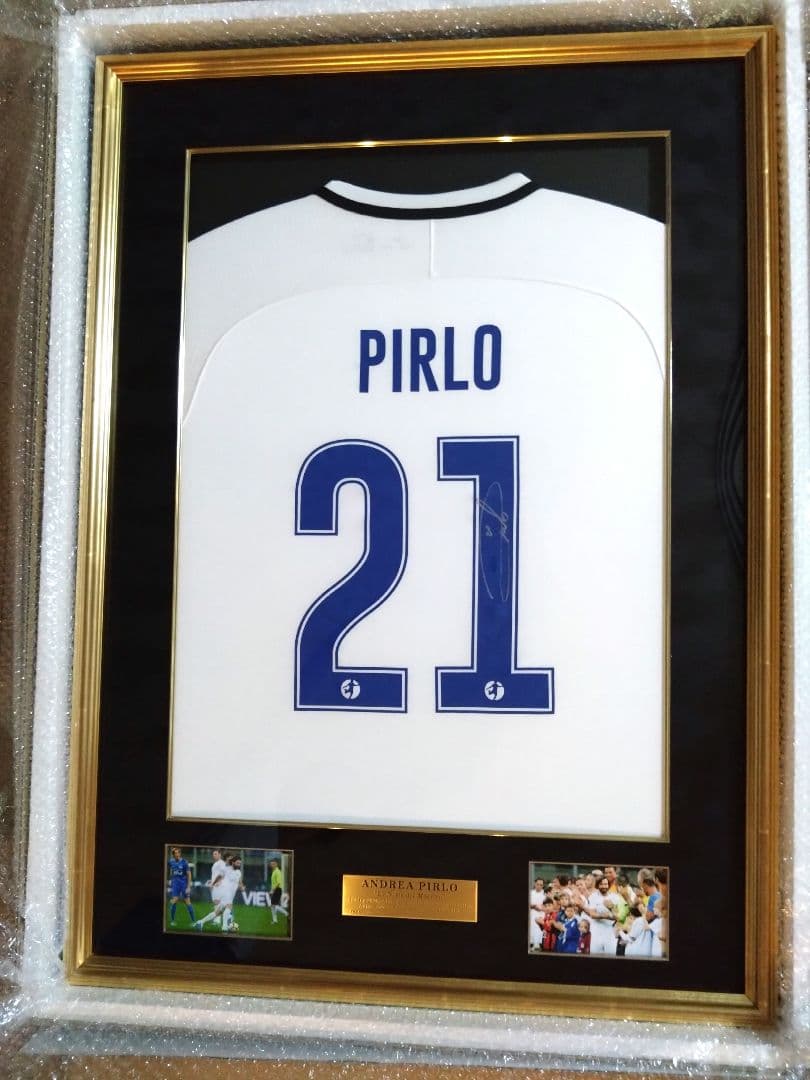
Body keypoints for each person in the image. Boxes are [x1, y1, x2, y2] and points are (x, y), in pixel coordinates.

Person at [584, 874, 617, 955]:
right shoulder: (593, 896)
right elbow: (592, 914)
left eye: (606, 884)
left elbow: (617, 916)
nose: (604, 886)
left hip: (610, 932)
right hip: (596, 932)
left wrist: (610, 910)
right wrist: (606, 915)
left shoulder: (614, 896)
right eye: (601, 884)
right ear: (597, 885)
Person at [167, 847, 195, 927]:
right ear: (173, 855)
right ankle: (172, 921)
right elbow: (168, 869)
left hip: (183, 884)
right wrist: (168, 880)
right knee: (175, 900)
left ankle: (193, 921)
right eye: (175, 853)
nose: (177, 854)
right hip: (175, 884)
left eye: (178, 853)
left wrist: (188, 887)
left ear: (180, 853)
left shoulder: (184, 862)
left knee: (187, 901)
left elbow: (189, 874)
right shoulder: (171, 862)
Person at [269, 857, 288, 924]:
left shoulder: (278, 871)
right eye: (271, 864)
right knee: (272, 905)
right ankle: (275, 920)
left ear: (276, 864)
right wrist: (271, 889)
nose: (271, 865)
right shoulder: (274, 871)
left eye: (273, 864)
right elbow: (274, 883)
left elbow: (278, 883)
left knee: (275, 905)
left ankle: (286, 913)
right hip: (275, 890)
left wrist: (272, 890)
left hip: (277, 889)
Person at [529, 876, 546, 950]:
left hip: (541, 915)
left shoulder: (545, 894)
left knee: (539, 930)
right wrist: (534, 906)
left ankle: (538, 945)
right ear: (534, 884)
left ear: (543, 885)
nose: (539, 886)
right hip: (531, 914)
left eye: (541, 885)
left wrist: (540, 908)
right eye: (537, 884)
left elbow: (547, 906)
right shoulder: (530, 893)